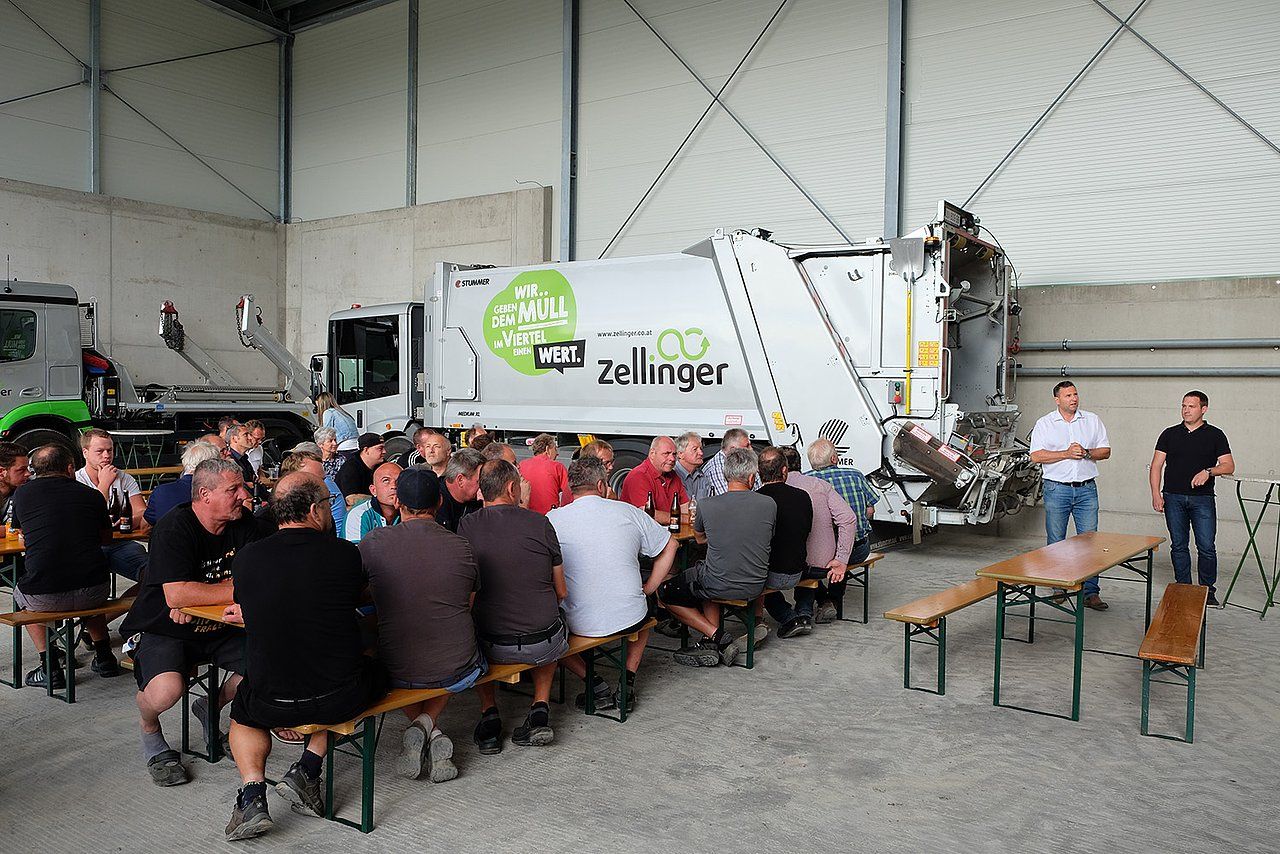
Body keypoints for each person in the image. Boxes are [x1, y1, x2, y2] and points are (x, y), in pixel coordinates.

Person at [222, 473, 387, 841]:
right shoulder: (345, 555)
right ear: (315, 510)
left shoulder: (247, 559)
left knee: (242, 714)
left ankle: (252, 795)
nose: (332, 512)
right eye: (329, 505)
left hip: (271, 699)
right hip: (337, 696)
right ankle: (308, 768)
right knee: (375, 670)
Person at [118, 459, 265, 787]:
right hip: (165, 628)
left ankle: (210, 705)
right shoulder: (175, 527)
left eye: (243, 486)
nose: (245, 494)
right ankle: (150, 728)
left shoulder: (246, 525)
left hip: (224, 626)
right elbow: (176, 595)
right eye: (234, 489)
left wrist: (199, 599)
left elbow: (263, 578)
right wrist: (228, 591)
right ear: (205, 494)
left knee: (270, 666)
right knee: (167, 691)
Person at [359, 469, 486, 783]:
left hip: (396, 667)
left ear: (399, 502)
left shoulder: (374, 542)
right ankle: (429, 725)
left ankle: (424, 726)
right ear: (440, 501)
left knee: (395, 656)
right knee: (461, 653)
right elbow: (466, 605)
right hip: (458, 663)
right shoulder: (463, 546)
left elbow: (356, 595)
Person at [549, 457, 677, 710]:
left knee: (549, 637)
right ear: (601, 485)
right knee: (644, 612)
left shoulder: (552, 519)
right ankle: (627, 680)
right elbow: (670, 544)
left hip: (578, 621)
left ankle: (594, 682)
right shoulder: (627, 511)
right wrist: (649, 588)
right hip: (629, 616)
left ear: (570, 487)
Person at [460, 460, 567, 753]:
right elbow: (561, 591)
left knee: (470, 631)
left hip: (490, 645)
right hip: (541, 643)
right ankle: (540, 705)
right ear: (511, 488)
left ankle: (489, 713)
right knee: (553, 619)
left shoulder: (467, 525)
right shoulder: (540, 522)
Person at [10, 444, 118, 688]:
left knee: (22, 592)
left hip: (44, 597)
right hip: (95, 593)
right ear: (70, 468)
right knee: (86, 575)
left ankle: (50, 666)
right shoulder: (92, 495)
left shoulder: (22, 495)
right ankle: (104, 657)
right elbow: (106, 539)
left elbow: (23, 533)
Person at [657, 448, 773, 667]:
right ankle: (711, 641)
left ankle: (717, 636)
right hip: (756, 584)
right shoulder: (769, 504)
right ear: (751, 477)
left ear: (726, 475)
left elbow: (700, 540)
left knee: (665, 592)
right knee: (707, 579)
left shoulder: (707, 506)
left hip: (718, 580)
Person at [1030, 381, 1112, 610]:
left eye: (1075, 394)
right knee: (1056, 542)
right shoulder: (1045, 423)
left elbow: (1105, 451)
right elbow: (1036, 456)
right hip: (1057, 489)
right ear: (1057, 399)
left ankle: (1090, 592)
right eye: (1068, 395)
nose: (1073, 399)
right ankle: (1059, 587)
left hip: (1086, 489)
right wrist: (1066, 453)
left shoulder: (1092, 420)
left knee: (1089, 543)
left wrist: (1086, 453)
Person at [1150, 390, 1234, 607]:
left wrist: (1208, 471)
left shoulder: (1215, 435)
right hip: (1173, 497)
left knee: (1206, 546)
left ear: (1203, 409)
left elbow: (1229, 466)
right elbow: (1156, 465)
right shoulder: (1169, 434)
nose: (1186, 410)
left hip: (1202, 499)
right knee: (1178, 545)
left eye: (1191, 406)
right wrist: (1155, 494)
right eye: (1184, 406)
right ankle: (1183, 587)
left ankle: (1207, 591)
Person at [780, 445, 859, 625]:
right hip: (824, 562)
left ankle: (796, 616)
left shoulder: (771, 490)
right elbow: (848, 518)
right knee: (809, 569)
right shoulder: (820, 485)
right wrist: (841, 559)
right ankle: (818, 604)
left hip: (787, 566)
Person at [756, 448, 816, 638]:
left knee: (753, 577)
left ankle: (788, 618)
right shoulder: (803, 496)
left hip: (770, 574)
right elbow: (807, 531)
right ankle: (805, 613)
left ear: (759, 473)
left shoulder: (756, 500)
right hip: (798, 571)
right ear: (784, 471)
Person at [76, 428, 148, 582]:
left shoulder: (124, 478)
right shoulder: (76, 481)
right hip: (88, 546)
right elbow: (85, 521)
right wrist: (104, 484)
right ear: (85, 453)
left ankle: (133, 603)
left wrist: (123, 521)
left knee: (153, 574)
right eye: (100, 451)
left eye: (110, 450)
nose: (107, 456)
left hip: (120, 543)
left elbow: (142, 512)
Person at [145, 440, 222, 526]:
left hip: (167, 538)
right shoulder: (218, 494)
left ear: (185, 462)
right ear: (213, 467)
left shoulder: (160, 492)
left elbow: (144, 527)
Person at [620, 436, 688, 524]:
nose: (672, 459)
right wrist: (685, 519)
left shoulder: (673, 475)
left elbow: (685, 507)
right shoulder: (638, 476)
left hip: (666, 531)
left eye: (674, 454)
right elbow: (649, 514)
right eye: (666, 453)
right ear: (652, 454)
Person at [343, 461, 401, 543]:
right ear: (373, 490)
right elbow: (356, 553)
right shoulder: (359, 514)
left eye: (399, 481)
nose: (394, 486)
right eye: (386, 480)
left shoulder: (409, 511)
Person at [519, 434, 572, 514]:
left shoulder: (521, 465)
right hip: (549, 516)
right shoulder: (557, 467)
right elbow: (569, 493)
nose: (557, 454)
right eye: (555, 449)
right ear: (547, 449)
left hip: (526, 514)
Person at [436, 448, 484, 533]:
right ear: (460, 480)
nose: (484, 486)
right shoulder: (433, 500)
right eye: (479, 481)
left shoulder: (480, 502)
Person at [700, 428, 752, 497]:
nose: (751, 449)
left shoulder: (745, 462)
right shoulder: (716, 469)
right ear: (733, 450)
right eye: (747, 446)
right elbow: (727, 500)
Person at [335, 433, 386, 501]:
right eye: (380, 448)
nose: (385, 451)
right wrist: (381, 499)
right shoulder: (350, 468)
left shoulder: (383, 464)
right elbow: (351, 499)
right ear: (366, 450)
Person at [226, 425, 264, 503]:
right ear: (234, 439)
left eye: (250, 434)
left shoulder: (244, 459)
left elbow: (255, 483)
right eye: (246, 435)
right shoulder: (229, 462)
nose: (250, 438)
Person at [0, 441, 31, 526]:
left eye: (27, 469)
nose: (28, 474)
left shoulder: (28, 491)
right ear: (2, 472)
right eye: (22, 470)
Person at [674, 431, 708, 501]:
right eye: (695, 449)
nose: (701, 453)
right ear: (680, 454)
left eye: (701, 449)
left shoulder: (701, 475)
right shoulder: (672, 475)